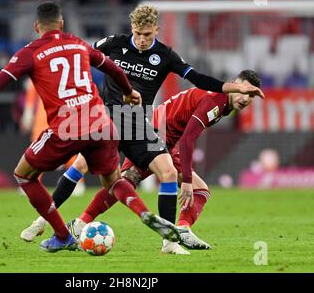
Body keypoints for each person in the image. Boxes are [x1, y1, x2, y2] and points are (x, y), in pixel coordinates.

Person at [0, 1, 182, 252]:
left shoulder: (30, 52)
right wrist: (130, 92)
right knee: (115, 181)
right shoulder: (77, 43)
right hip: (102, 123)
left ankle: (62, 235)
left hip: (67, 125)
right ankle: (144, 214)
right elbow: (113, 68)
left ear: (36, 27)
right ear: (61, 24)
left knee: (23, 174)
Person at [21, 4, 264, 254]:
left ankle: (169, 243)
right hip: (106, 117)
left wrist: (235, 88)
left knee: (168, 172)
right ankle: (41, 221)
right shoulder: (114, 43)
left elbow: (198, 78)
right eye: (137, 33)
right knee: (80, 166)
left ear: (156, 30)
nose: (141, 40)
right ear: (132, 29)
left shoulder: (166, 55)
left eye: (147, 34)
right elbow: (79, 58)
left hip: (138, 121)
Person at [69, 70, 262, 254]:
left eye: (251, 96)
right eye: (243, 91)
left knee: (128, 181)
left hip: (160, 132)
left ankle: (81, 224)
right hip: (158, 134)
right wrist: (186, 179)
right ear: (234, 86)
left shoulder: (224, 104)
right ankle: (179, 231)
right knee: (191, 188)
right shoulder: (216, 101)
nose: (245, 98)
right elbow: (188, 139)